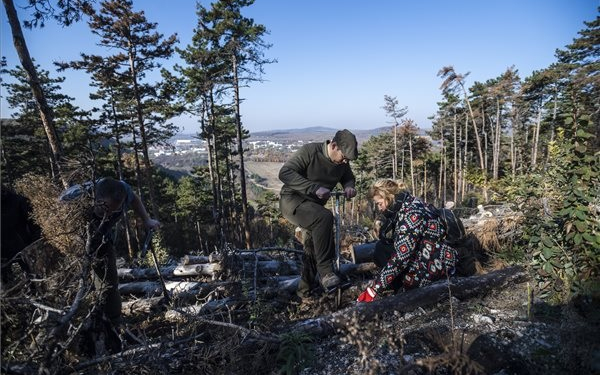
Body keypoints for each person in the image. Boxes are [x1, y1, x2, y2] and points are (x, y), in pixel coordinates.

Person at [60, 177, 160, 352]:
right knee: (73, 287)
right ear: (95, 199)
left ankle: (114, 326)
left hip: (103, 240)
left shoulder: (123, 190)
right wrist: (72, 243)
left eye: (114, 211)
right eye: (104, 209)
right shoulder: (73, 198)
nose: (108, 214)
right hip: (71, 244)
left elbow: (134, 198)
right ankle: (71, 331)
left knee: (109, 284)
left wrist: (146, 220)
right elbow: (54, 221)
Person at [279, 129, 358, 298]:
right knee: (325, 217)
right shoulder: (310, 151)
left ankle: (304, 293)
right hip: (293, 201)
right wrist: (313, 188)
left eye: (347, 159)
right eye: (343, 156)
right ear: (334, 146)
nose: (345, 161)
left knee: (313, 247)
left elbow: (348, 177)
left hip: (313, 209)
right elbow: (284, 173)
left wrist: (349, 186)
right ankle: (326, 272)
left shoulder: (342, 163)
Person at [357, 179, 457, 303]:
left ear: (388, 197)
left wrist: (374, 289)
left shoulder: (410, 214)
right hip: (436, 257)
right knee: (382, 247)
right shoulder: (408, 202)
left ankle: (405, 288)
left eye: (379, 203)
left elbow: (401, 256)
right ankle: (398, 284)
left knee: (382, 251)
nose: (379, 208)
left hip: (436, 267)